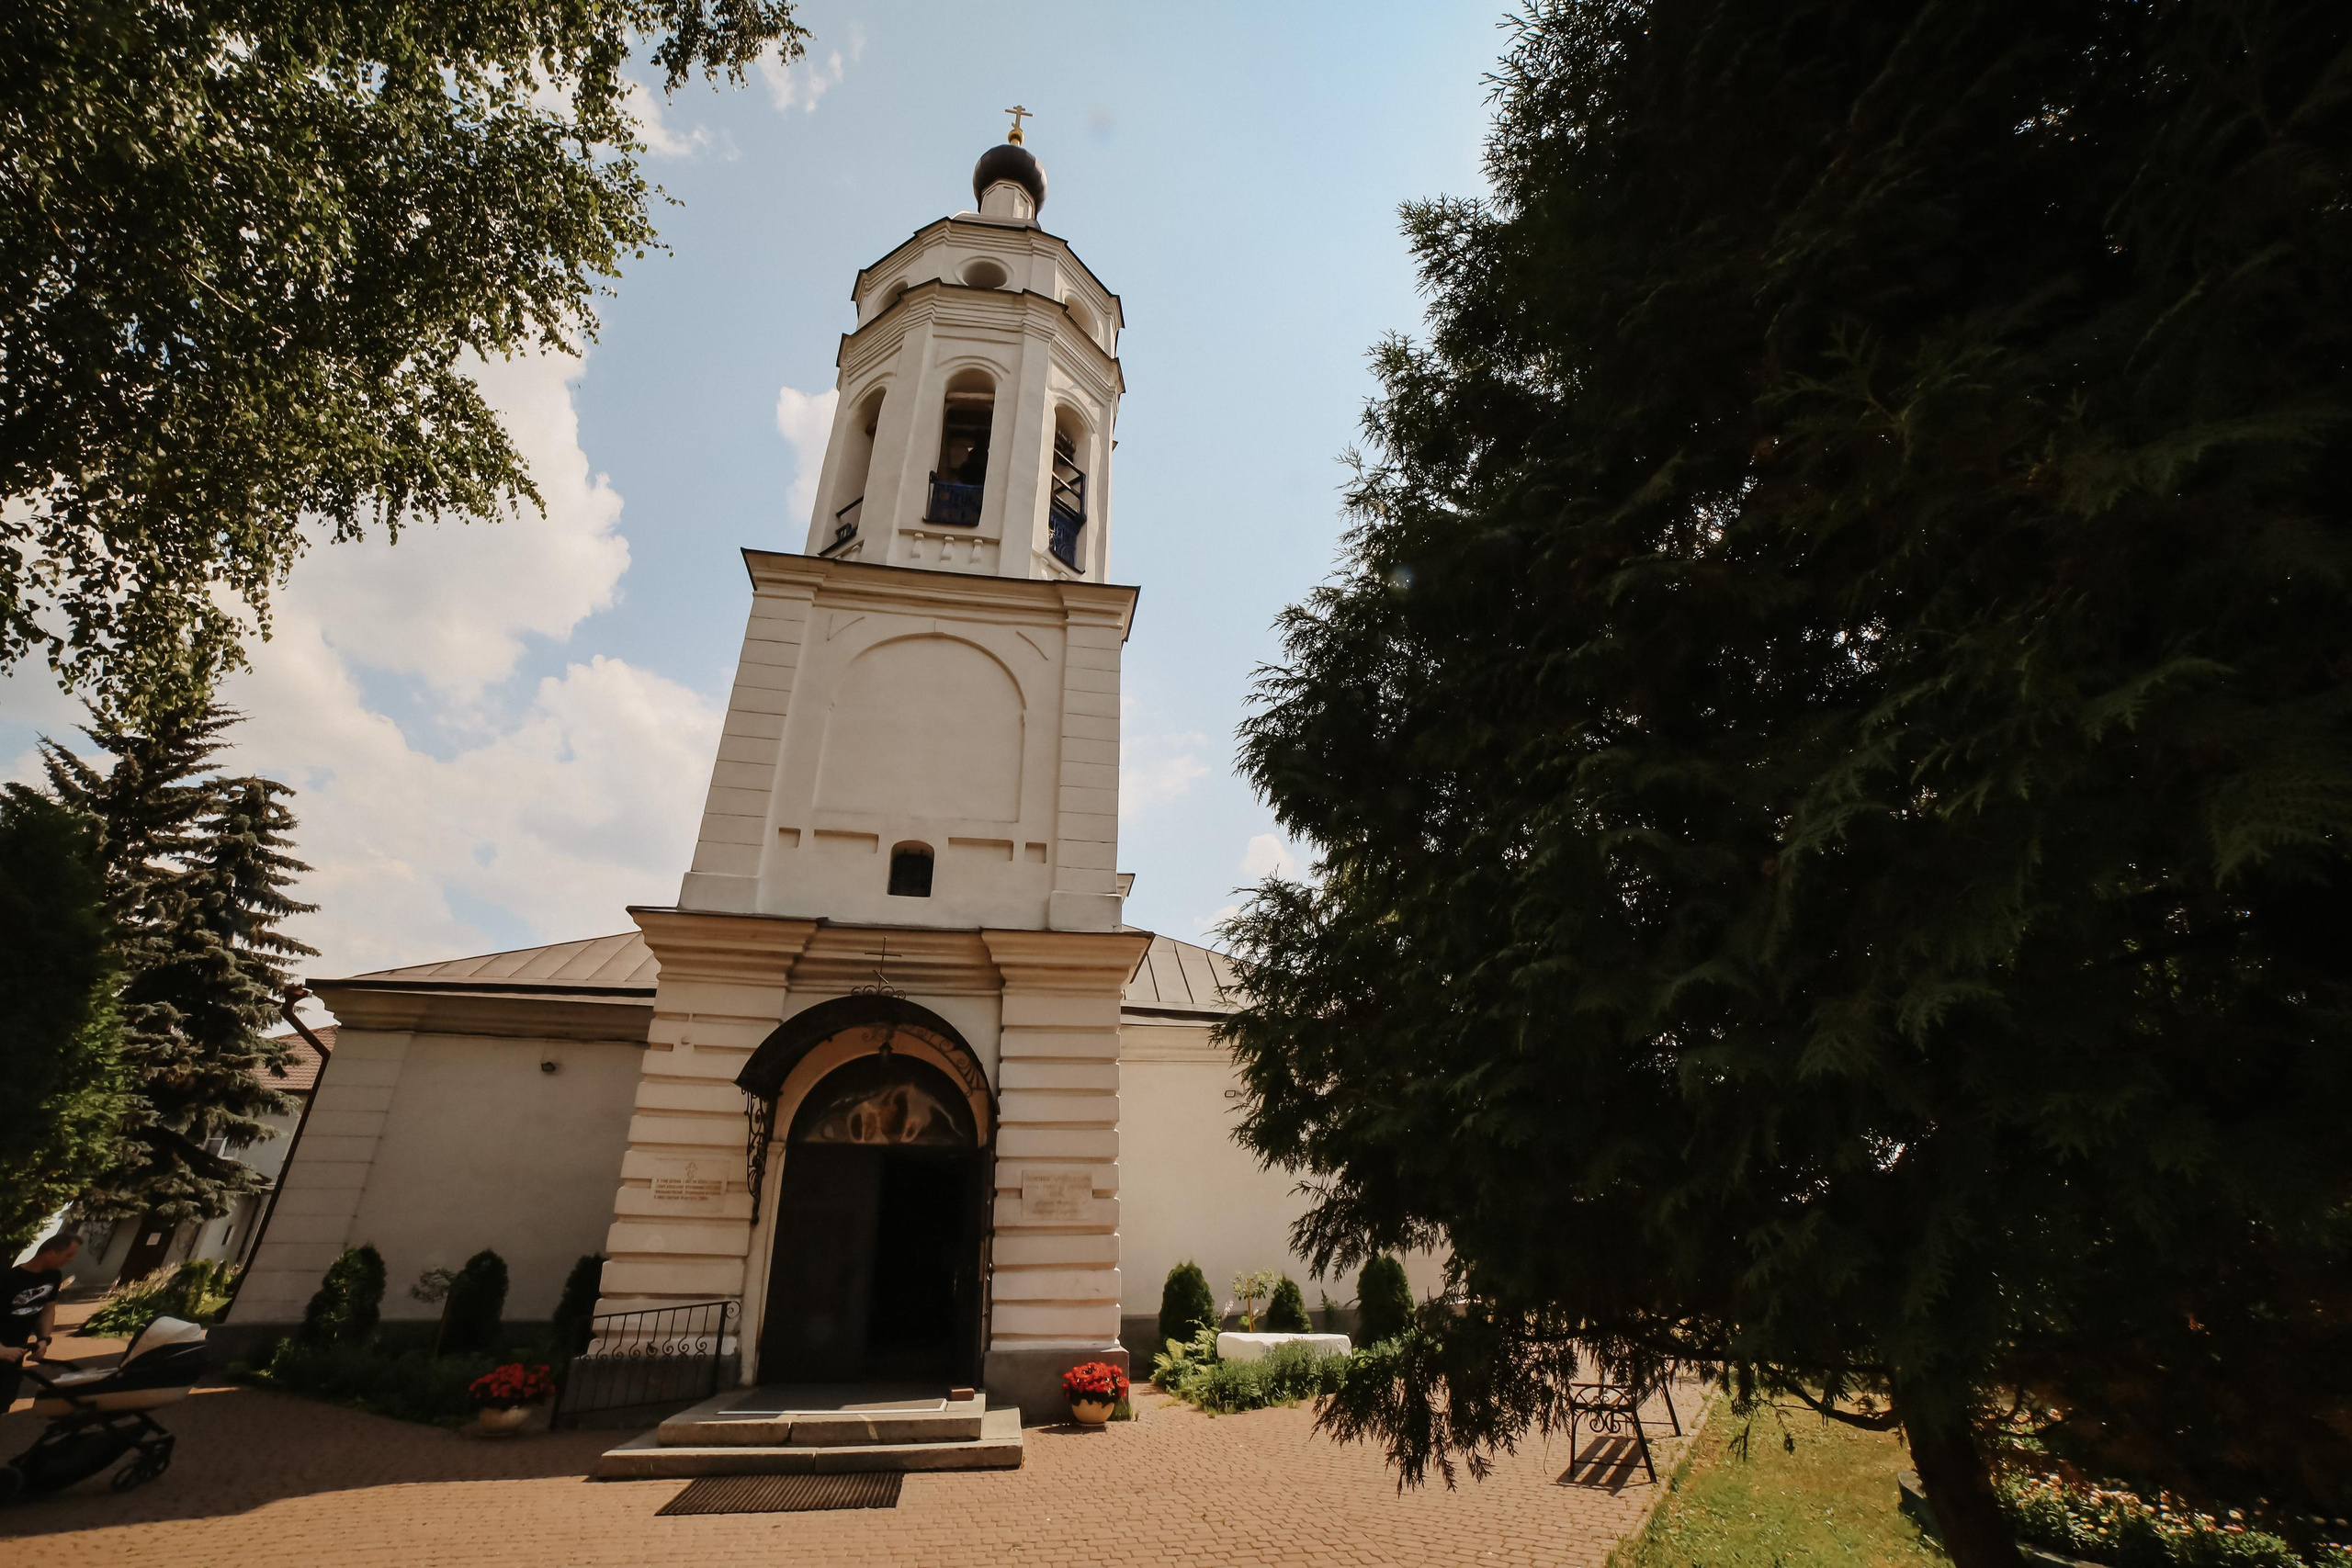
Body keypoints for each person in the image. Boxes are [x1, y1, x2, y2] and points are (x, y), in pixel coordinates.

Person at [2, 1231, 79, 1410]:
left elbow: (47, 1308)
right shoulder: (9, 1278)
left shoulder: (53, 1277)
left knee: (4, 1400)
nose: (71, 1260)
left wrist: (43, 1339)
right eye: (68, 1255)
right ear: (51, 1253)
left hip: (15, 1353)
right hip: (2, 1348)